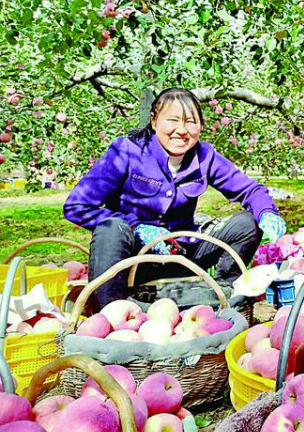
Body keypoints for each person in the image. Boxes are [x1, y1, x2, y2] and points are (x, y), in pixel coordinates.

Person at [63, 88, 287, 310]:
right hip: (133, 263)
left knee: (247, 224)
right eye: (172, 120)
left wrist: (267, 212)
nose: (182, 130)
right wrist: (136, 228)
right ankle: (111, 311)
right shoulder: (127, 151)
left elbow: (250, 190)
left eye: (191, 121)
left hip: (182, 256)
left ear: (200, 125)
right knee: (111, 229)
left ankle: (224, 292)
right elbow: (77, 206)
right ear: (154, 120)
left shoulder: (204, 156)